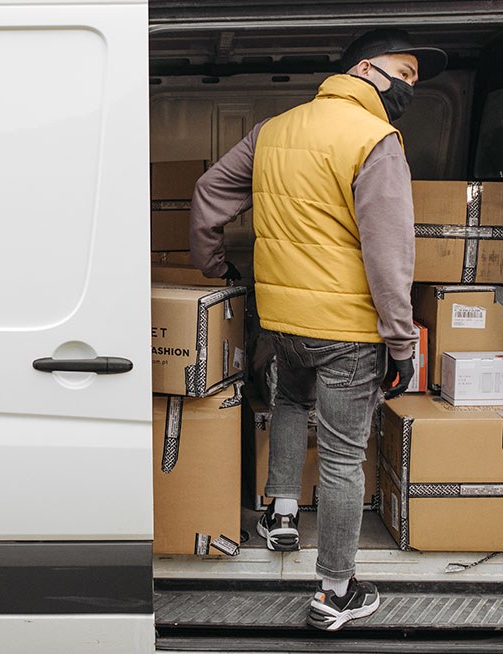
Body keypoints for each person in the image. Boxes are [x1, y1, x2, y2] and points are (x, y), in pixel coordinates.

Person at [189, 28, 447, 631]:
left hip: (283, 320)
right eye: (403, 72)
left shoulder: (275, 129)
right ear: (365, 70)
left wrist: (217, 269)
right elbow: (390, 254)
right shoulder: (377, 140)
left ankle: (280, 515)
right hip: (348, 331)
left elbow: (208, 193)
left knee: (289, 401)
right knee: (341, 457)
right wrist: (402, 342)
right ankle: (336, 590)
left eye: (415, 78)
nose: (410, 85)